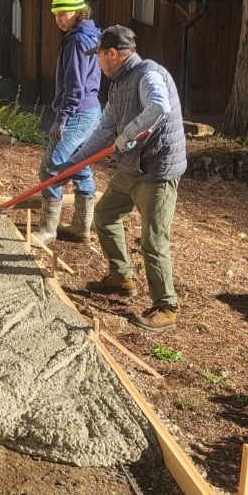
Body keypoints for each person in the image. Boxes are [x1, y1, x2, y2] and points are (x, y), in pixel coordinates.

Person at [58, 26, 187, 330]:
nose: (97, 63)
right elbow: (103, 130)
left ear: (112, 54)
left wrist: (128, 134)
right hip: (131, 168)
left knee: (153, 240)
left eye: (99, 57)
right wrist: (72, 163)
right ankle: (121, 276)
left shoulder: (147, 74)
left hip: (156, 171)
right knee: (105, 214)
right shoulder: (118, 83)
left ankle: (166, 306)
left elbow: (159, 106)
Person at [32, 0, 103, 247]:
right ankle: (81, 227)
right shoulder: (90, 33)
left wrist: (62, 118)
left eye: (64, 13)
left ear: (78, 10)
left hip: (78, 112)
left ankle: (48, 230)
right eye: (56, 14)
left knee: (52, 165)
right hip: (91, 109)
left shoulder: (76, 41)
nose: (59, 19)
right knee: (79, 164)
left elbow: (75, 86)